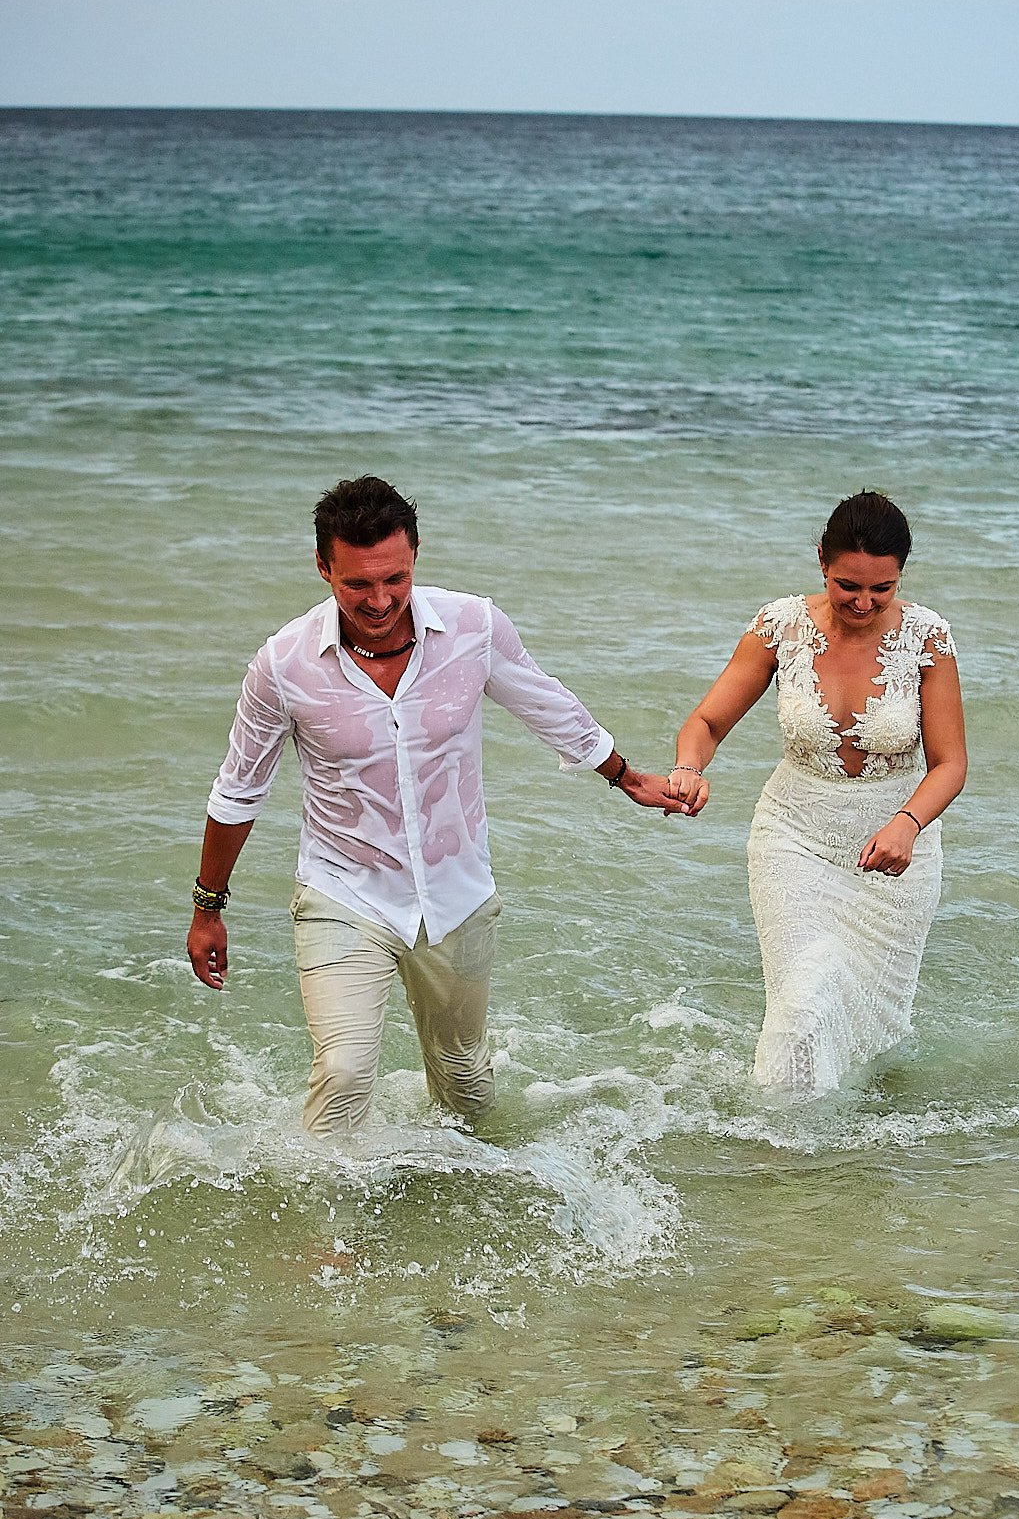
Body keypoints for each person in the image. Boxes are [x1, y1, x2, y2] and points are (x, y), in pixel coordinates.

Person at [186, 475, 679, 1135]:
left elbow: (546, 704)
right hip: (344, 892)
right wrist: (208, 908)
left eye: (395, 578)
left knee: (465, 1080)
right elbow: (239, 789)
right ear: (322, 567)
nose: (380, 599)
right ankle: (329, 1238)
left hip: (457, 893)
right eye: (357, 584)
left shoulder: (473, 628)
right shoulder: (283, 666)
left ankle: (456, 1199)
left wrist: (625, 776)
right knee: (344, 1072)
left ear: (415, 555)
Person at [667, 491, 967, 1097]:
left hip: (897, 850)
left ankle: (844, 1159)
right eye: (847, 585)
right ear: (822, 564)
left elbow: (950, 764)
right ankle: (780, 1143)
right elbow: (707, 723)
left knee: (869, 1022)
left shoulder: (927, 639)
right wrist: (689, 767)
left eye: (881, 589)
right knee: (801, 1000)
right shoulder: (782, 626)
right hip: (794, 838)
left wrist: (907, 822)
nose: (863, 602)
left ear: (900, 574)